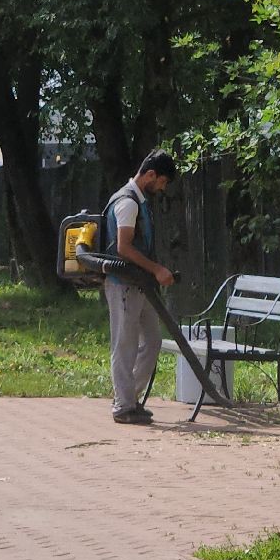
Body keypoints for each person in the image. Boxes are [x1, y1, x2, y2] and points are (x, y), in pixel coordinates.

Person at [104, 149, 179, 425]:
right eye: (162, 181)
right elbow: (123, 247)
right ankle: (123, 407)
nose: (163, 187)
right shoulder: (128, 203)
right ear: (150, 174)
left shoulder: (139, 200)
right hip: (124, 284)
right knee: (124, 345)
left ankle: (127, 398)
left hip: (139, 285)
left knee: (153, 340)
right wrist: (157, 269)